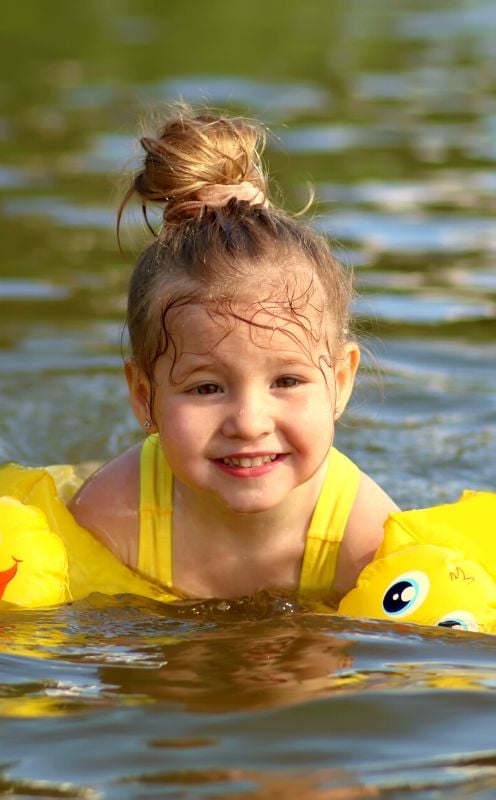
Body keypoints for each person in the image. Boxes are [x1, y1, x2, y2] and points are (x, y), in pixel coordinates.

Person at [69, 107, 398, 603]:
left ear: (341, 381)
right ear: (144, 397)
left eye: (286, 381)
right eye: (206, 387)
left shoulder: (366, 540)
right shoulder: (111, 517)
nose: (248, 423)